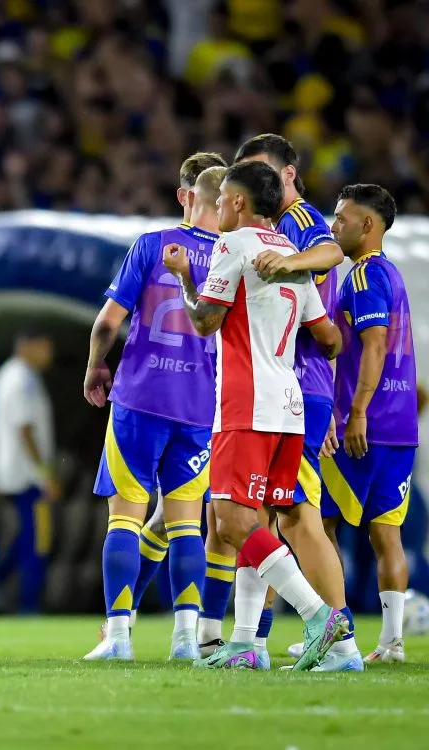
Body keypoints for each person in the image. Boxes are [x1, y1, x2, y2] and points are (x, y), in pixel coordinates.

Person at [164, 160, 346, 672]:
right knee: (258, 522)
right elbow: (330, 340)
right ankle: (247, 644)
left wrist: (184, 278)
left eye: (222, 199)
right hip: (289, 407)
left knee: (230, 522)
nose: (218, 207)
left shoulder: (234, 244)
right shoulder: (290, 253)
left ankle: (319, 615)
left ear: (239, 202)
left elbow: (206, 321)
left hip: (246, 404)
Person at [83, 160, 225, 661]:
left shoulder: (152, 244)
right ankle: (186, 640)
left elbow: (108, 322)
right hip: (199, 405)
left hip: (140, 398)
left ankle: (119, 637)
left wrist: (95, 366)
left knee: (125, 517)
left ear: (189, 196)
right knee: (186, 525)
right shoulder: (233, 256)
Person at [235, 134, 358, 669]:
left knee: (297, 519)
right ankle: (252, 642)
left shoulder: (299, 218)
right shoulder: (269, 228)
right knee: (264, 516)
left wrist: (286, 264)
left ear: (288, 173)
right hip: (293, 384)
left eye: (264, 171)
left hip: (296, 384)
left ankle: (341, 641)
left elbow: (332, 251)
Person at [322, 184, 417, 664]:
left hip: (364, 426)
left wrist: (357, 410)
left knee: (314, 522)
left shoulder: (362, 276)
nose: (333, 226)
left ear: (368, 225)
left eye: (342, 218)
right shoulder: (392, 274)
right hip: (400, 429)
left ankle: (334, 635)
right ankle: (391, 643)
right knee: (386, 535)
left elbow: (375, 345)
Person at [0, 328, 56, 616]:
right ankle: (28, 604)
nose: (49, 355)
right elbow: (25, 430)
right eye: (45, 347)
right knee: (35, 541)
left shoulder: (15, 374)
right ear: (27, 345)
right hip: (26, 477)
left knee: (23, 539)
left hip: (17, 474)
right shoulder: (21, 379)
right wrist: (45, 474)